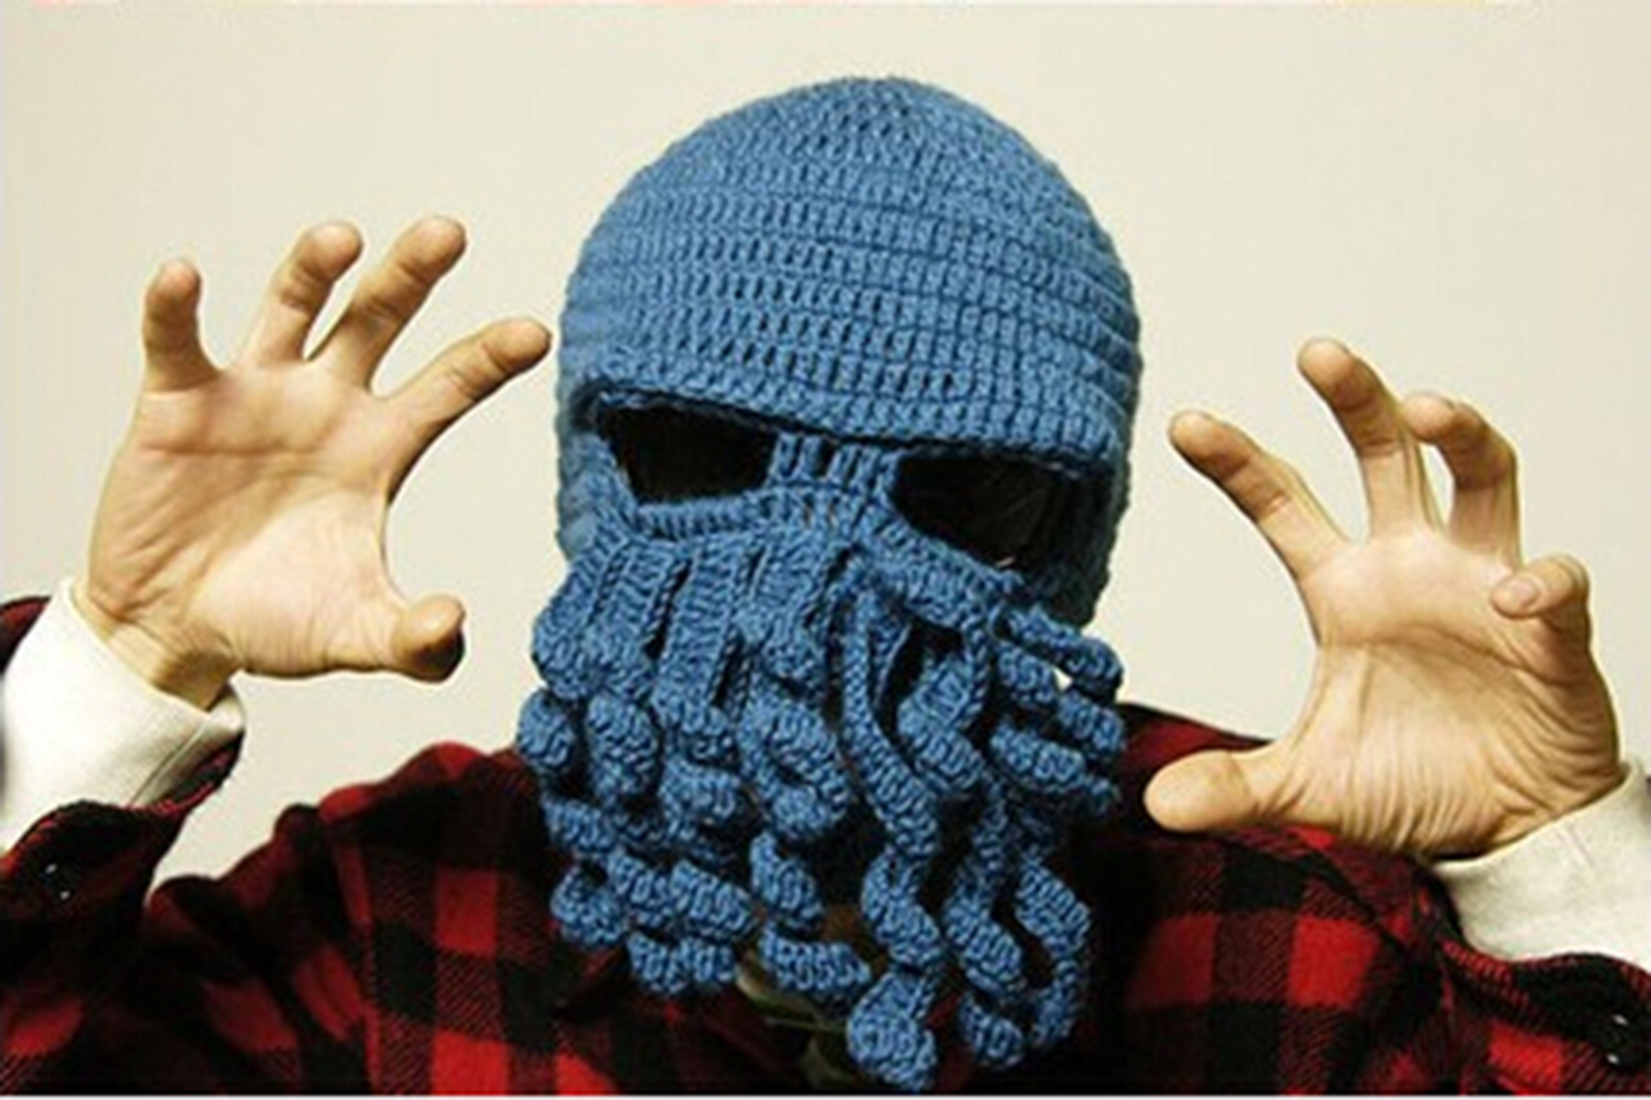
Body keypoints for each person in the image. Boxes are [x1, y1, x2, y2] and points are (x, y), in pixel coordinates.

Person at [1, 78, 1646, 1092]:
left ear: (1072, 536)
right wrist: (122, 657)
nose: (812, 580)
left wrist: (1546, 859)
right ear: (593, 467)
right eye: (705, 455)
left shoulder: (1295, 932)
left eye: (958, 489)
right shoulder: (384, 918)